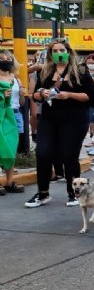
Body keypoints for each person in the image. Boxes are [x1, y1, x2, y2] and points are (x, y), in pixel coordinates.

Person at [25, 38, 94, 208]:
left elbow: (91, 97)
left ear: (68, 52)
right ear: (50, 54)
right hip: (50, 119)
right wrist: (42, 93)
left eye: (61, 50)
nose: (58, 54)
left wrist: (69, 95)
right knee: (43, 152)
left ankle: (74, 194)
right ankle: (42, 193)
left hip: (74, 119)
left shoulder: (80, 71)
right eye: (54, 51)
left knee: (68, 155)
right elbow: (34, 95)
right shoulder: (45, 72)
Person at [0, 49, 26, 195]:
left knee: (11, 147)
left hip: (13, 115)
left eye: (8, 57)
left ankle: (10, 181)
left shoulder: (16, 79)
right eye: (2, 58)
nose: (6, 60)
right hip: (0, 115)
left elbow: (21, 103)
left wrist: (22, 94)